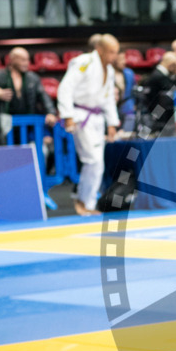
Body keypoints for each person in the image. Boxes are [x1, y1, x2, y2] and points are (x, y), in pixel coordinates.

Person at [57, 34, 121, 216]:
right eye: (111, 52)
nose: (114, 56)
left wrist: (112, 123)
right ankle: (83, 201)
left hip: (97, 118)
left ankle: (86, 202)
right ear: (99, 50)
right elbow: (65, 87)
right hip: (81, 115)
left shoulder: (107, 69)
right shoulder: (83, 62)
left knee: (96, 163)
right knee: (93, 160)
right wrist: (67, 115)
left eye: (116, 52)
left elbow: (108, 98)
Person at [0, 47, 59, 137]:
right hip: (5, 124)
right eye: (23, 60)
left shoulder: (32, 78)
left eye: (27, 60)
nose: (26, 63)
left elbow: (43, 96)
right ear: (13, 60)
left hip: (27, 125)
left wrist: (50, 113)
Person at [138, 51, 176, 135]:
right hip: (157, 112)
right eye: (175, 65)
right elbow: (174, 90)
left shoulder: (158, 74)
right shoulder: (159, 76)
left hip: (157, 110)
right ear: (170, 64)